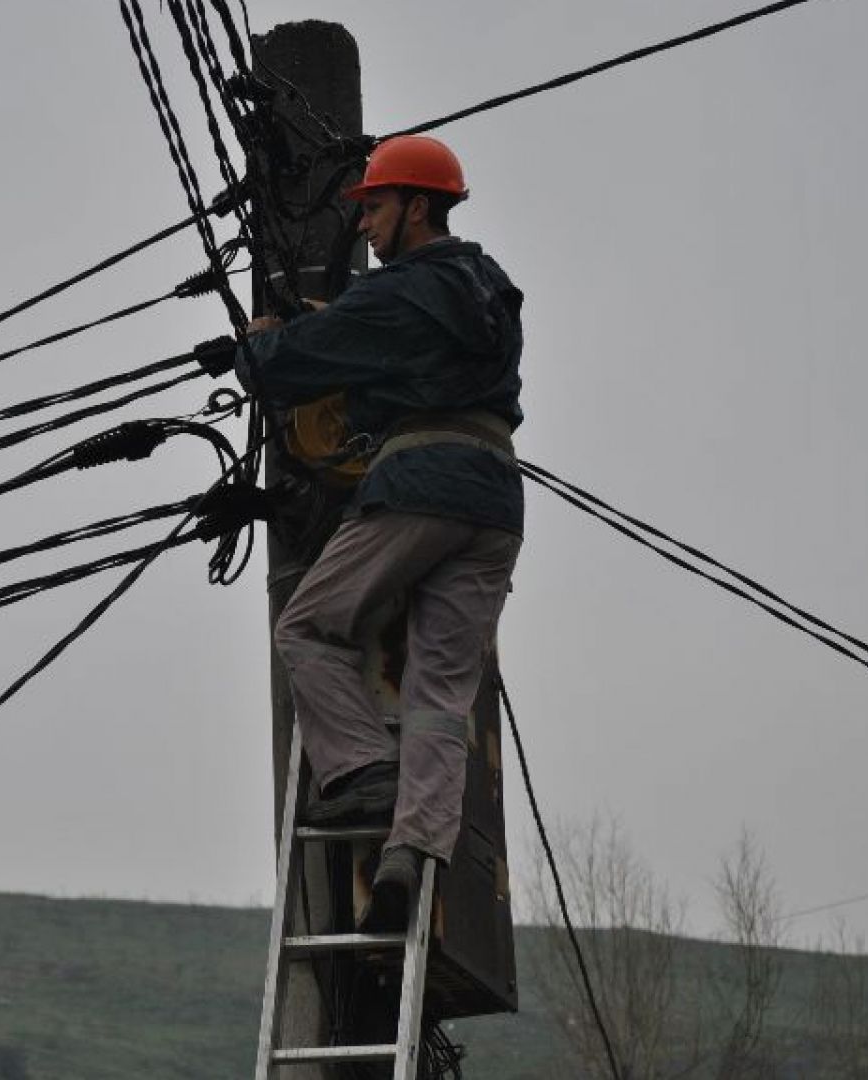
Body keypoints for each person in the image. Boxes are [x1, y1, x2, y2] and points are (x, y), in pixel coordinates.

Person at [236, 134, 524, 931]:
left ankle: (361, 770)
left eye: (376, 206)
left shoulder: (402, 290)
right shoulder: (488, 288)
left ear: (417, 207)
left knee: (308, 627)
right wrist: (343, 325)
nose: (364, 225)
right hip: (496, 500)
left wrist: (261, 346)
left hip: (420, 485)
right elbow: (391, 346)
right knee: (439, 692)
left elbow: (291, 366)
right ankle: (412, 851)